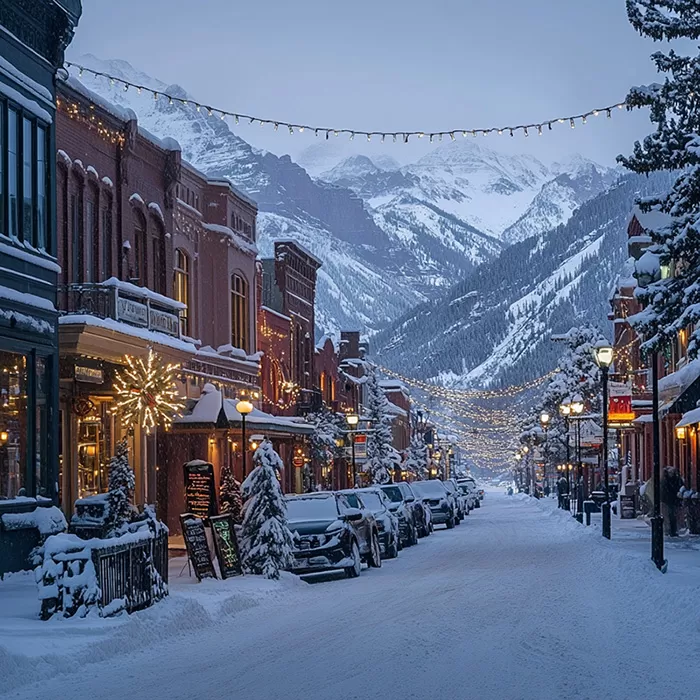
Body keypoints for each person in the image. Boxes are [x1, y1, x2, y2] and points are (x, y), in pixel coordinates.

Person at [661, 466, 684, 537]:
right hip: (669, 501)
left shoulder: (676, 479)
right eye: (671, 472)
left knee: (673, 516)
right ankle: (670, 530)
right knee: (669, 516)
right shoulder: (665, 481)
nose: (672, 474)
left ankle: (672, 530)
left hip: (673, 500)